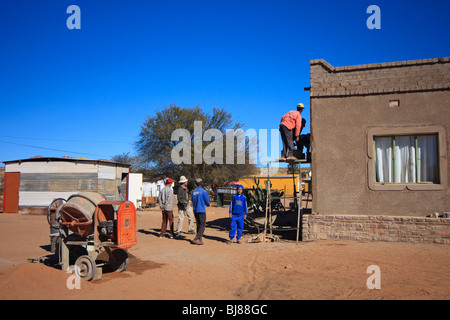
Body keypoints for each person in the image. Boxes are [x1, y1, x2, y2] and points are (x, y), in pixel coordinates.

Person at [191, 178, 210, 245]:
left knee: (198, 224)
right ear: (201, 183)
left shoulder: (194, 192)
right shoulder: (203, 191)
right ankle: (197, 238)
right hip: (201, 210)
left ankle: (200, 239)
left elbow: (193, 201)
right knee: (202, 224)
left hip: (195, 210)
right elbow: (207, 201)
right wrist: (208, 204)